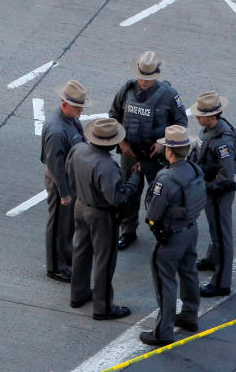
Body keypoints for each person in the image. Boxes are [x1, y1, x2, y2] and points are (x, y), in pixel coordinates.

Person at [109, 51, 188, 250]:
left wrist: (164, 143)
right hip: (130, 153)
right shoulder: (126, 90)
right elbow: (114, 115)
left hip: (156, 156)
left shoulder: (170, 95)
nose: (143, 81)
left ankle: (163, 230)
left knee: (159, 195)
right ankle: (128, 231)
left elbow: (181, 123)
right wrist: (122, 143)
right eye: (141, 76)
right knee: (129, 194)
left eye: (148, 78)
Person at [66, 118, 143, 320]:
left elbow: (69, 175)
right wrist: (134, 179)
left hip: (81, 205)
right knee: (104, 259)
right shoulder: (107, 166)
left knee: (80, 251)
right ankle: (103, 306)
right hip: (101, 214)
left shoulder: (78, 150)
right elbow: (116, 197)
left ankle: (78, 293)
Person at [141, 125, 206, 346]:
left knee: (165, 282)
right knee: (189, 272)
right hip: (190, 229)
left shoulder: (166, 178)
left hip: (172, 235)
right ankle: (190, 315)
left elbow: (153, 212)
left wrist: (155, 226)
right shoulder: (196, 170)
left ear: (169, 151)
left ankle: (163, 331)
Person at [187, 92, 236, 297]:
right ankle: (212, 259)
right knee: (214, 229)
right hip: (208, 187)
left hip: (218, 193)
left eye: (200, 115)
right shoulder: (208, 131)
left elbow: (226, 176)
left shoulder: (223, 142)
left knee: (222, 235)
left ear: (212, 116)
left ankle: (221, 283)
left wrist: (205, 187)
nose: (197, 118)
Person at [40, 80, 88, 282]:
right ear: (64, 104)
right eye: (77, 108)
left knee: (67, 223)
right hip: (62, 181)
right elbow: (55, 165)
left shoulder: (68, 120)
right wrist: (65, 193)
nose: (80, 112)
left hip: (71, 177)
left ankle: (66, 252)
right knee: (58, 224)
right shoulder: (57, 130)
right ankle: (55, 267)